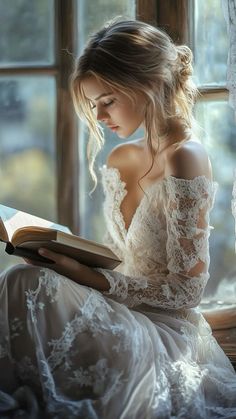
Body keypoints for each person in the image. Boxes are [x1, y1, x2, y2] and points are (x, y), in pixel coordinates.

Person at [0, 18, 236, 419]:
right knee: (24, 278)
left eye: (107, 100)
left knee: (21, 283)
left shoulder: (185, 156)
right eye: (94, 105)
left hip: (164, 332)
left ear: (146, 85)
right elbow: (118, 255)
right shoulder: (120, 158)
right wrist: (63, 257)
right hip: (120, 309)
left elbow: (187, 293)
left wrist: (87, 275)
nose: (101, 115)